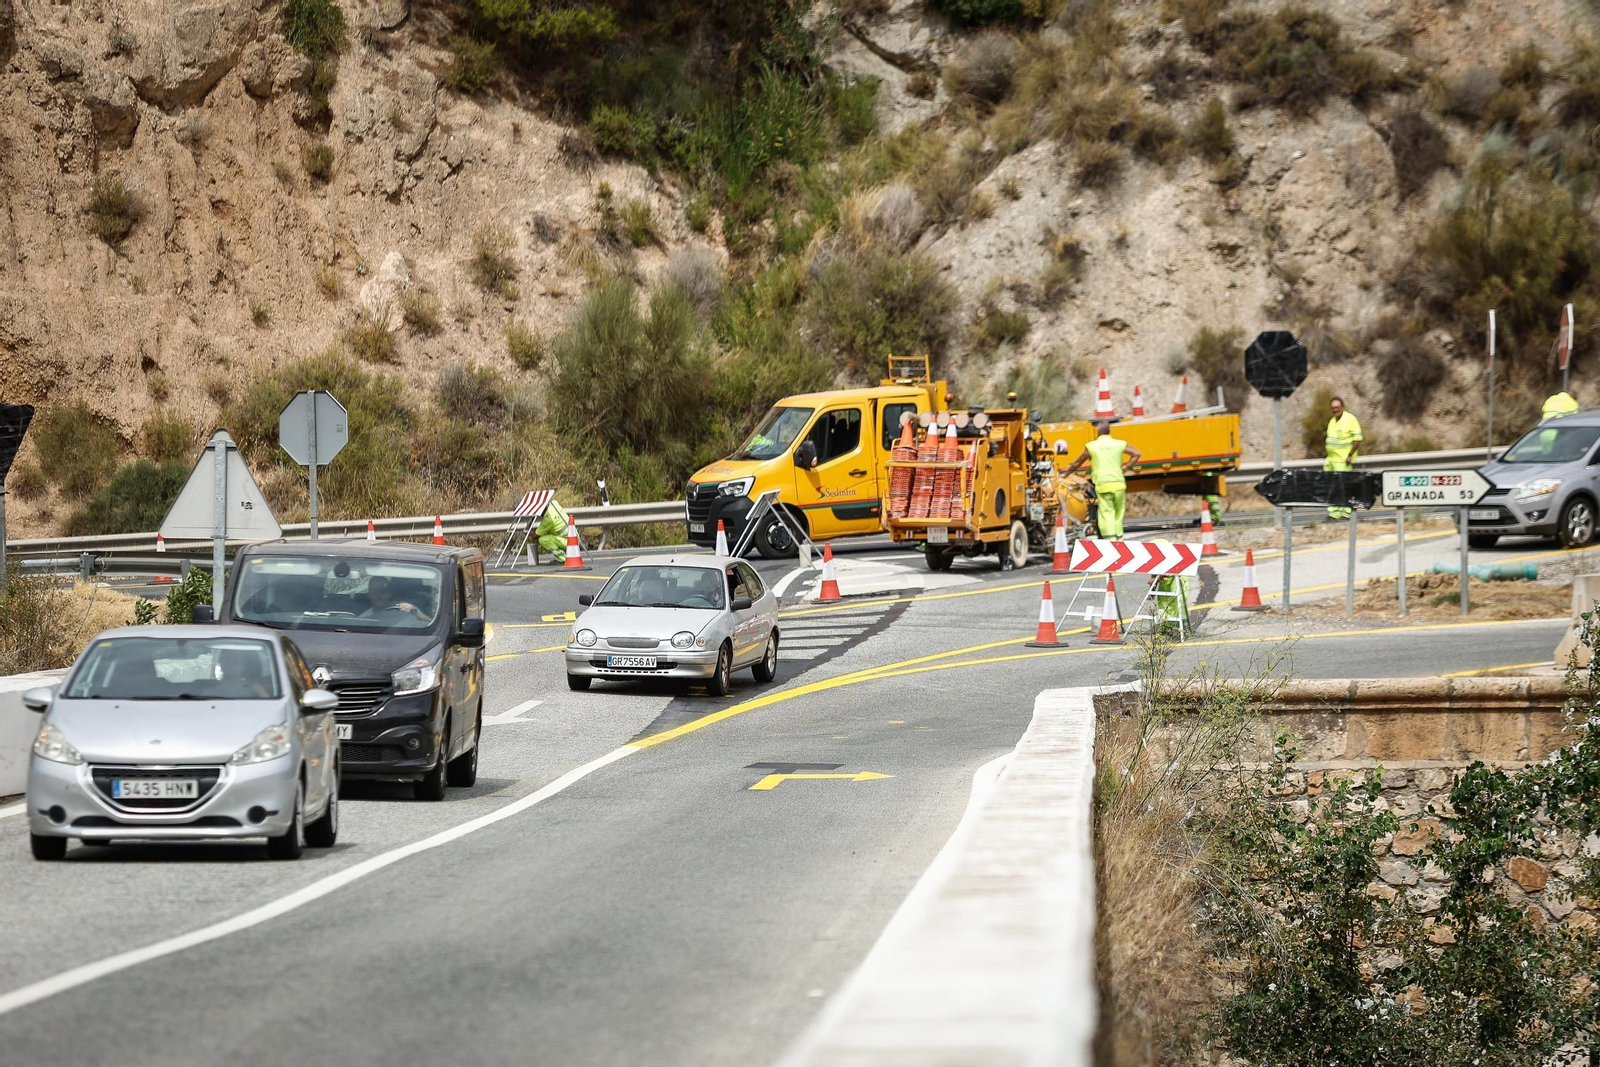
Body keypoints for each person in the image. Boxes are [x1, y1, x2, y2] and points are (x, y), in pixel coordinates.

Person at [1061, 420, 1141, 538]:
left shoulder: (1092, 446)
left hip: (1103, 484)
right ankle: (1119, 539)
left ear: (1098, 432)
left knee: (1107, 512)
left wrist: (1065, 474)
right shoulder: (1119, 444)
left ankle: (1110, 539)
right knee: (1118, 513)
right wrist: (1126, 467)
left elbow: (1077, 463)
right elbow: (1137, 454)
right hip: (1118, 483)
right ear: (1109, 431)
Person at [1323, 396, 1363, 520]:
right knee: (1332, 487)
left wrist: (1350, 455)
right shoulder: (1332, 421)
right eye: (1333, 408)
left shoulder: (1350, 419)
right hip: (1331, 460)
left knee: (1344, 487)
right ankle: (1334, 513)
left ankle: (1346, 513)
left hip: (1342, 460)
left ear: (1342, 407)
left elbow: (1357, 439)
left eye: (1337, 407)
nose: (1335, 410)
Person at [360, 576, 426, 621]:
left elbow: (429, 623)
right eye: (374, 591)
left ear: (389, 593)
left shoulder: (406, 608)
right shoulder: (363, 619)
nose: (378, 595)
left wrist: (414, 612)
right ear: (369, 594)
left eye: (382, 591)